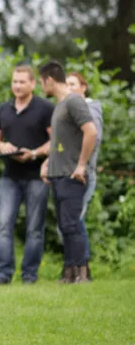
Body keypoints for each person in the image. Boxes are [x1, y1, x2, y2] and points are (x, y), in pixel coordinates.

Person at [0, 66, 54, 285]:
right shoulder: (3, 109)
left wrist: (34, 153)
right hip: (9, 177)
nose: (17, 86)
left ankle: (29, 275)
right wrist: (4, 147)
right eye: (14, 82)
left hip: (37, 176)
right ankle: (3, 275)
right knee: (3, 226)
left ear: (33, 84)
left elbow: (55, 141)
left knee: (34, 229)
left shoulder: (45, 108)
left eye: (22, 82)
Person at [38, 61, 98, 283]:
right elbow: (60, 143)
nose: (41, 86)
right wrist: (47, 165)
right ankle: (69, 273)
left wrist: (81, 165)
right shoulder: (59, 105)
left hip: (72, 175)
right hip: (57, 174)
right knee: (65, 225)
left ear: (50, 80)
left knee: (72, 225)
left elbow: (91, 132)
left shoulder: (73, 101)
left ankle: (81, 275)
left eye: (42, 81)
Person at [66, 72, 103, 279]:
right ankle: (73, 269)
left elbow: (93, 137)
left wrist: (80, 164)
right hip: (68, 173)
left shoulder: (90, 108)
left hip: (83, 174)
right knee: (70, 223)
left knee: (74, 222)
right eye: (67, 85)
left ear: (83, 87)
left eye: (73, 84)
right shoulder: (69, 110)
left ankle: (82, 269)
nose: (69, 88)